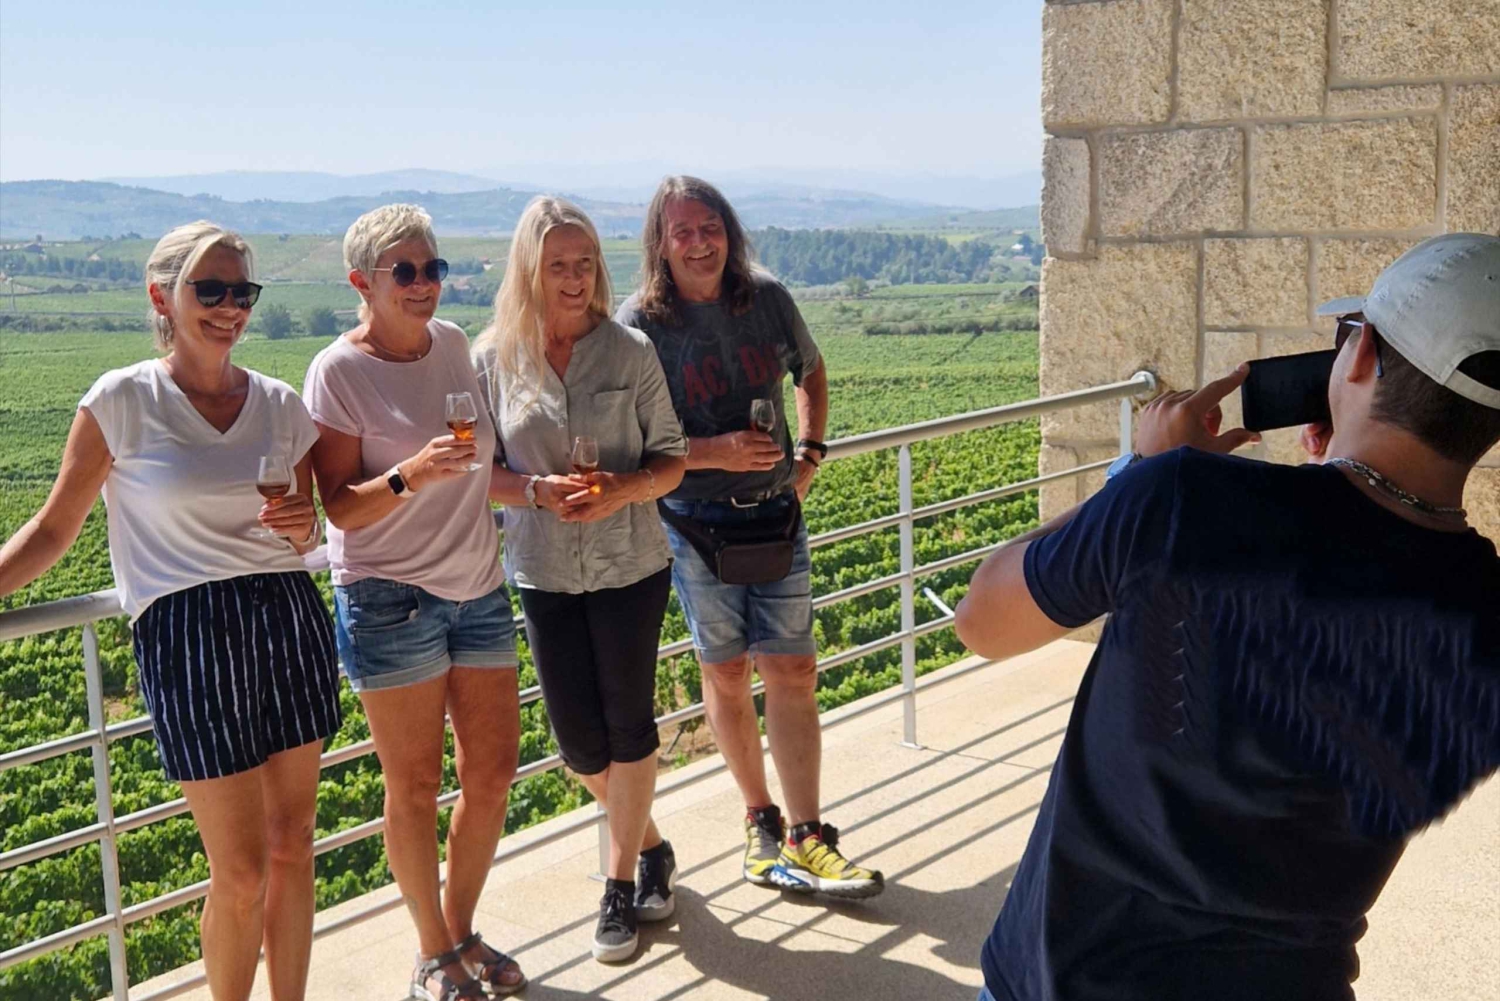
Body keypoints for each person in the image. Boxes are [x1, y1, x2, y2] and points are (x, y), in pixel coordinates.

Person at [956, 232, 1500, 1001]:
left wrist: (1138, 474)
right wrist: (1339, 485)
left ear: (1364, 356)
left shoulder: (1182, 501)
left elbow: (983, 620)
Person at [0, 221, 341, 1001]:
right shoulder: (122, 400)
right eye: (210, 289)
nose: (230, 307)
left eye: (242, 291)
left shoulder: (281, 404)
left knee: (294, 846)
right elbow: (55, 528)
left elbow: (306, 525)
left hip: (286, 615)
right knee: (242, 869)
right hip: (187, 634)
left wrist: (304, 526)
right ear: (163, 296)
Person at [616, 176, 883, 899]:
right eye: (683, 232)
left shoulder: (766, 298)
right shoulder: (638, 324)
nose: (700, 242)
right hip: (693, 527)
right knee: (727, 673)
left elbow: (814, 368)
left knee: (793, 670)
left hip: (776, 516)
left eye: (711, 227)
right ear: (660, 245)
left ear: (728, 232)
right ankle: (759, 822)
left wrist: (812, 457)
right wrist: (715, 452)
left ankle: (808, 833)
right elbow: (630, 444)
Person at [302, 205, 524, 1000]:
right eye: (407, 271)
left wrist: (532, 490)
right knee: (417, 786)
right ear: (362, 281)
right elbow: (338, 507)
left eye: (432, 268)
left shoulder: (456, 343)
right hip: (389, 597)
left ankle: (461, 926)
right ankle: (433, 949)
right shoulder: (338, 369)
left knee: (494, 771)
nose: (426, 284)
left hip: (478, 585)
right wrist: (409, 476)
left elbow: (482, 463)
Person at [474, 196, 688, 963]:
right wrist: (534, 491)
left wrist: (626, 489)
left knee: (629, 727)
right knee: (577, 744)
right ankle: (654, 844)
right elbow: (479, 470)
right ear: (529, 269)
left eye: (585, 262)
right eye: (558, 264)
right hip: (544, 570)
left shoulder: (629, 351)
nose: (574, 278)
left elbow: (672, 456)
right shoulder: (493, 357)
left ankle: (618, 885)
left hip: (632, 564)